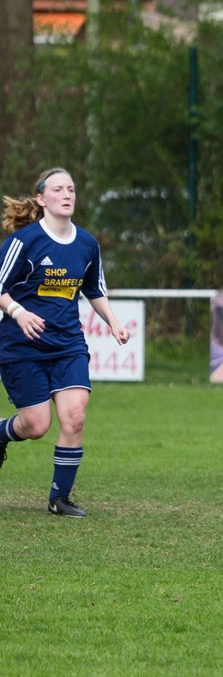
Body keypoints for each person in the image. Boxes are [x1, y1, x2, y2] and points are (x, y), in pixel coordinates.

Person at [0, 167, 132, 517]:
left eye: (71, 188)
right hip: (22, 347)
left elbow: (94, 289)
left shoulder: (87, 244)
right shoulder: (23, 241)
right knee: (36, 425)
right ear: (42, 199)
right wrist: (18, 312)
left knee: (74, 417)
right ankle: (1, 433)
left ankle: (60, 498)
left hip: (68, 344)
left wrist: (115, 323)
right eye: (58, 189)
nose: (67, 194)